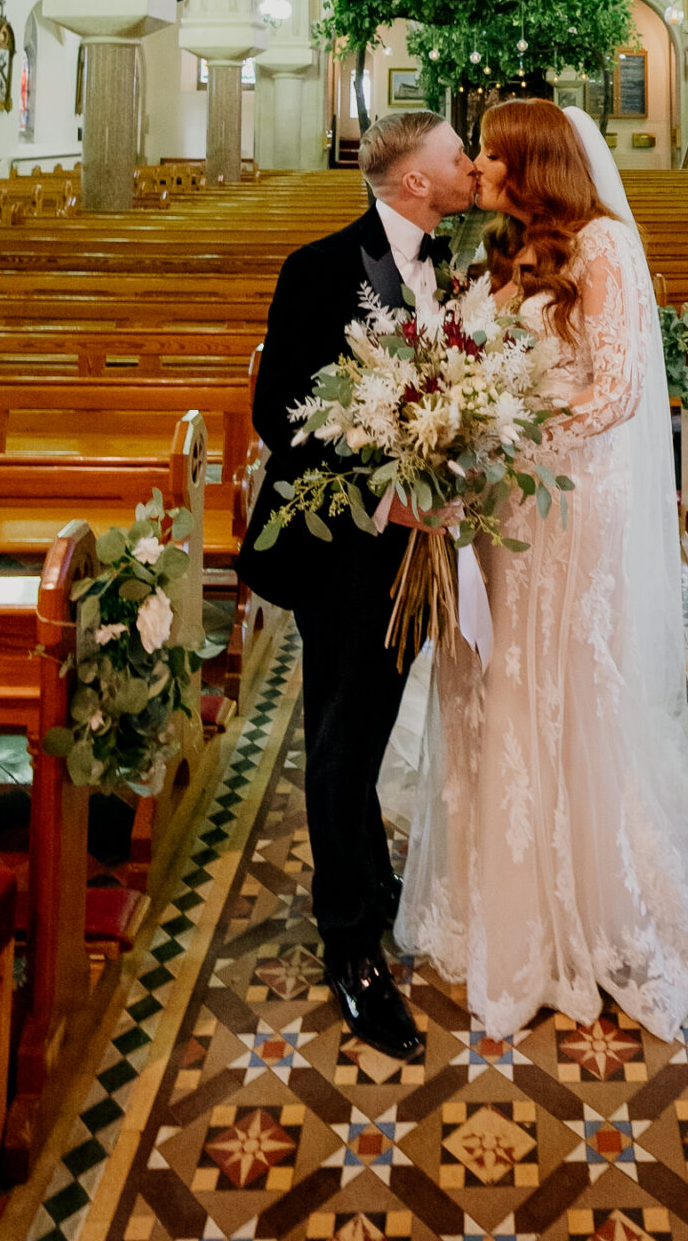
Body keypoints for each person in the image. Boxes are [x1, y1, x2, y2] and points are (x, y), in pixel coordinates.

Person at [397, 97, 688, 1039]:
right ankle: (499, 898)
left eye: (490, 153)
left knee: (561, 677)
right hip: (501, 504)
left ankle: (599, 901)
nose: (476, 167)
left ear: (533, 162)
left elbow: (621, 389)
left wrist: (511, 437)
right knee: (494, 677)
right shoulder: (505, 254)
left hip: (568, 506)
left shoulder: (601, 247)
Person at [236, 109, 477, 1061]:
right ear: (412, 180)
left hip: (420, 549)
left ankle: (368, 878)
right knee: (341, 740)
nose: (468, 168)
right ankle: (350, 949)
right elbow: (279, 418)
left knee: (365, 723)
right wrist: (387, 501)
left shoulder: (453, 271)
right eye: (455, 156)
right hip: (345, 549)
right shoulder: (319, 267)